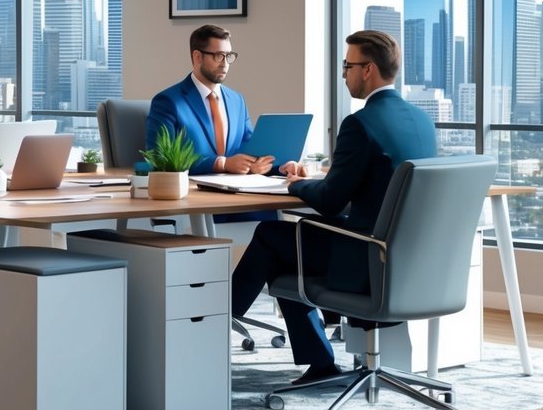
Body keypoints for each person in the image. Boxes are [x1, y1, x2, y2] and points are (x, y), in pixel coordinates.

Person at [230, 30, 437, 386]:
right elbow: (369, 183)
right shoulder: (422, 120)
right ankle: (318, 362)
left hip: (368, 260)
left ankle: (215, 322)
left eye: (348, 65)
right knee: (289, 244)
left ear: (368, 69)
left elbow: (329, 203)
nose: (344, 74)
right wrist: (314, 180)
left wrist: (297, 184)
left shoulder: (360, 123)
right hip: (411, 260)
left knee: (272, 237)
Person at [147, 24, 274, 223]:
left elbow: (249, 146)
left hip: (239, 196)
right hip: (194, 201)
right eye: (218, 56)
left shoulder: (236, 100)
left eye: (229, 56)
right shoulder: (168, 101)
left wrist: (264, 164)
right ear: (197, 57)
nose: (225, 63)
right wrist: (222, 164)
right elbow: (159, 160)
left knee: (275, 221)